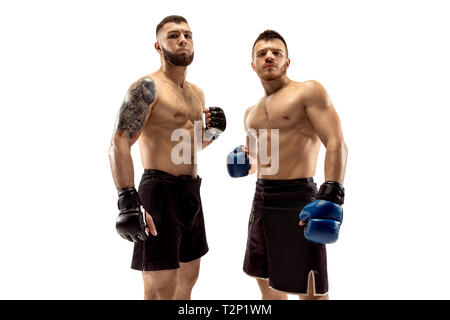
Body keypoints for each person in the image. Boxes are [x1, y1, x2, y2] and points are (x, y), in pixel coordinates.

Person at [108, 15, 226, 300]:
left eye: (187, 34)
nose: (182, 39)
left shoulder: (196, 93)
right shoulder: (147, 88)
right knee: (161, 288)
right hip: (159, 194)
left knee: (188, 279)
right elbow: (119, 142)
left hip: (191, 192)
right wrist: (127, 199)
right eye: (173, 35)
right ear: (158, 46)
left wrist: (215, 132)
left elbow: (188, 147)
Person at [227, 30, 347, 300]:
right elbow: (257, 160)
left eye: (276, 52)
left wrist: (332, 192)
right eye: (262, 53)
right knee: (266, 281)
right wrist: (245, 164)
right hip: (262, 199)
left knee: (310, 288)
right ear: (253, 64)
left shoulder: (308, 91)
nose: (269, 56)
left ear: (287, 61)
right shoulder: (250, 113)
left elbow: (336, 142)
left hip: (298, 198)